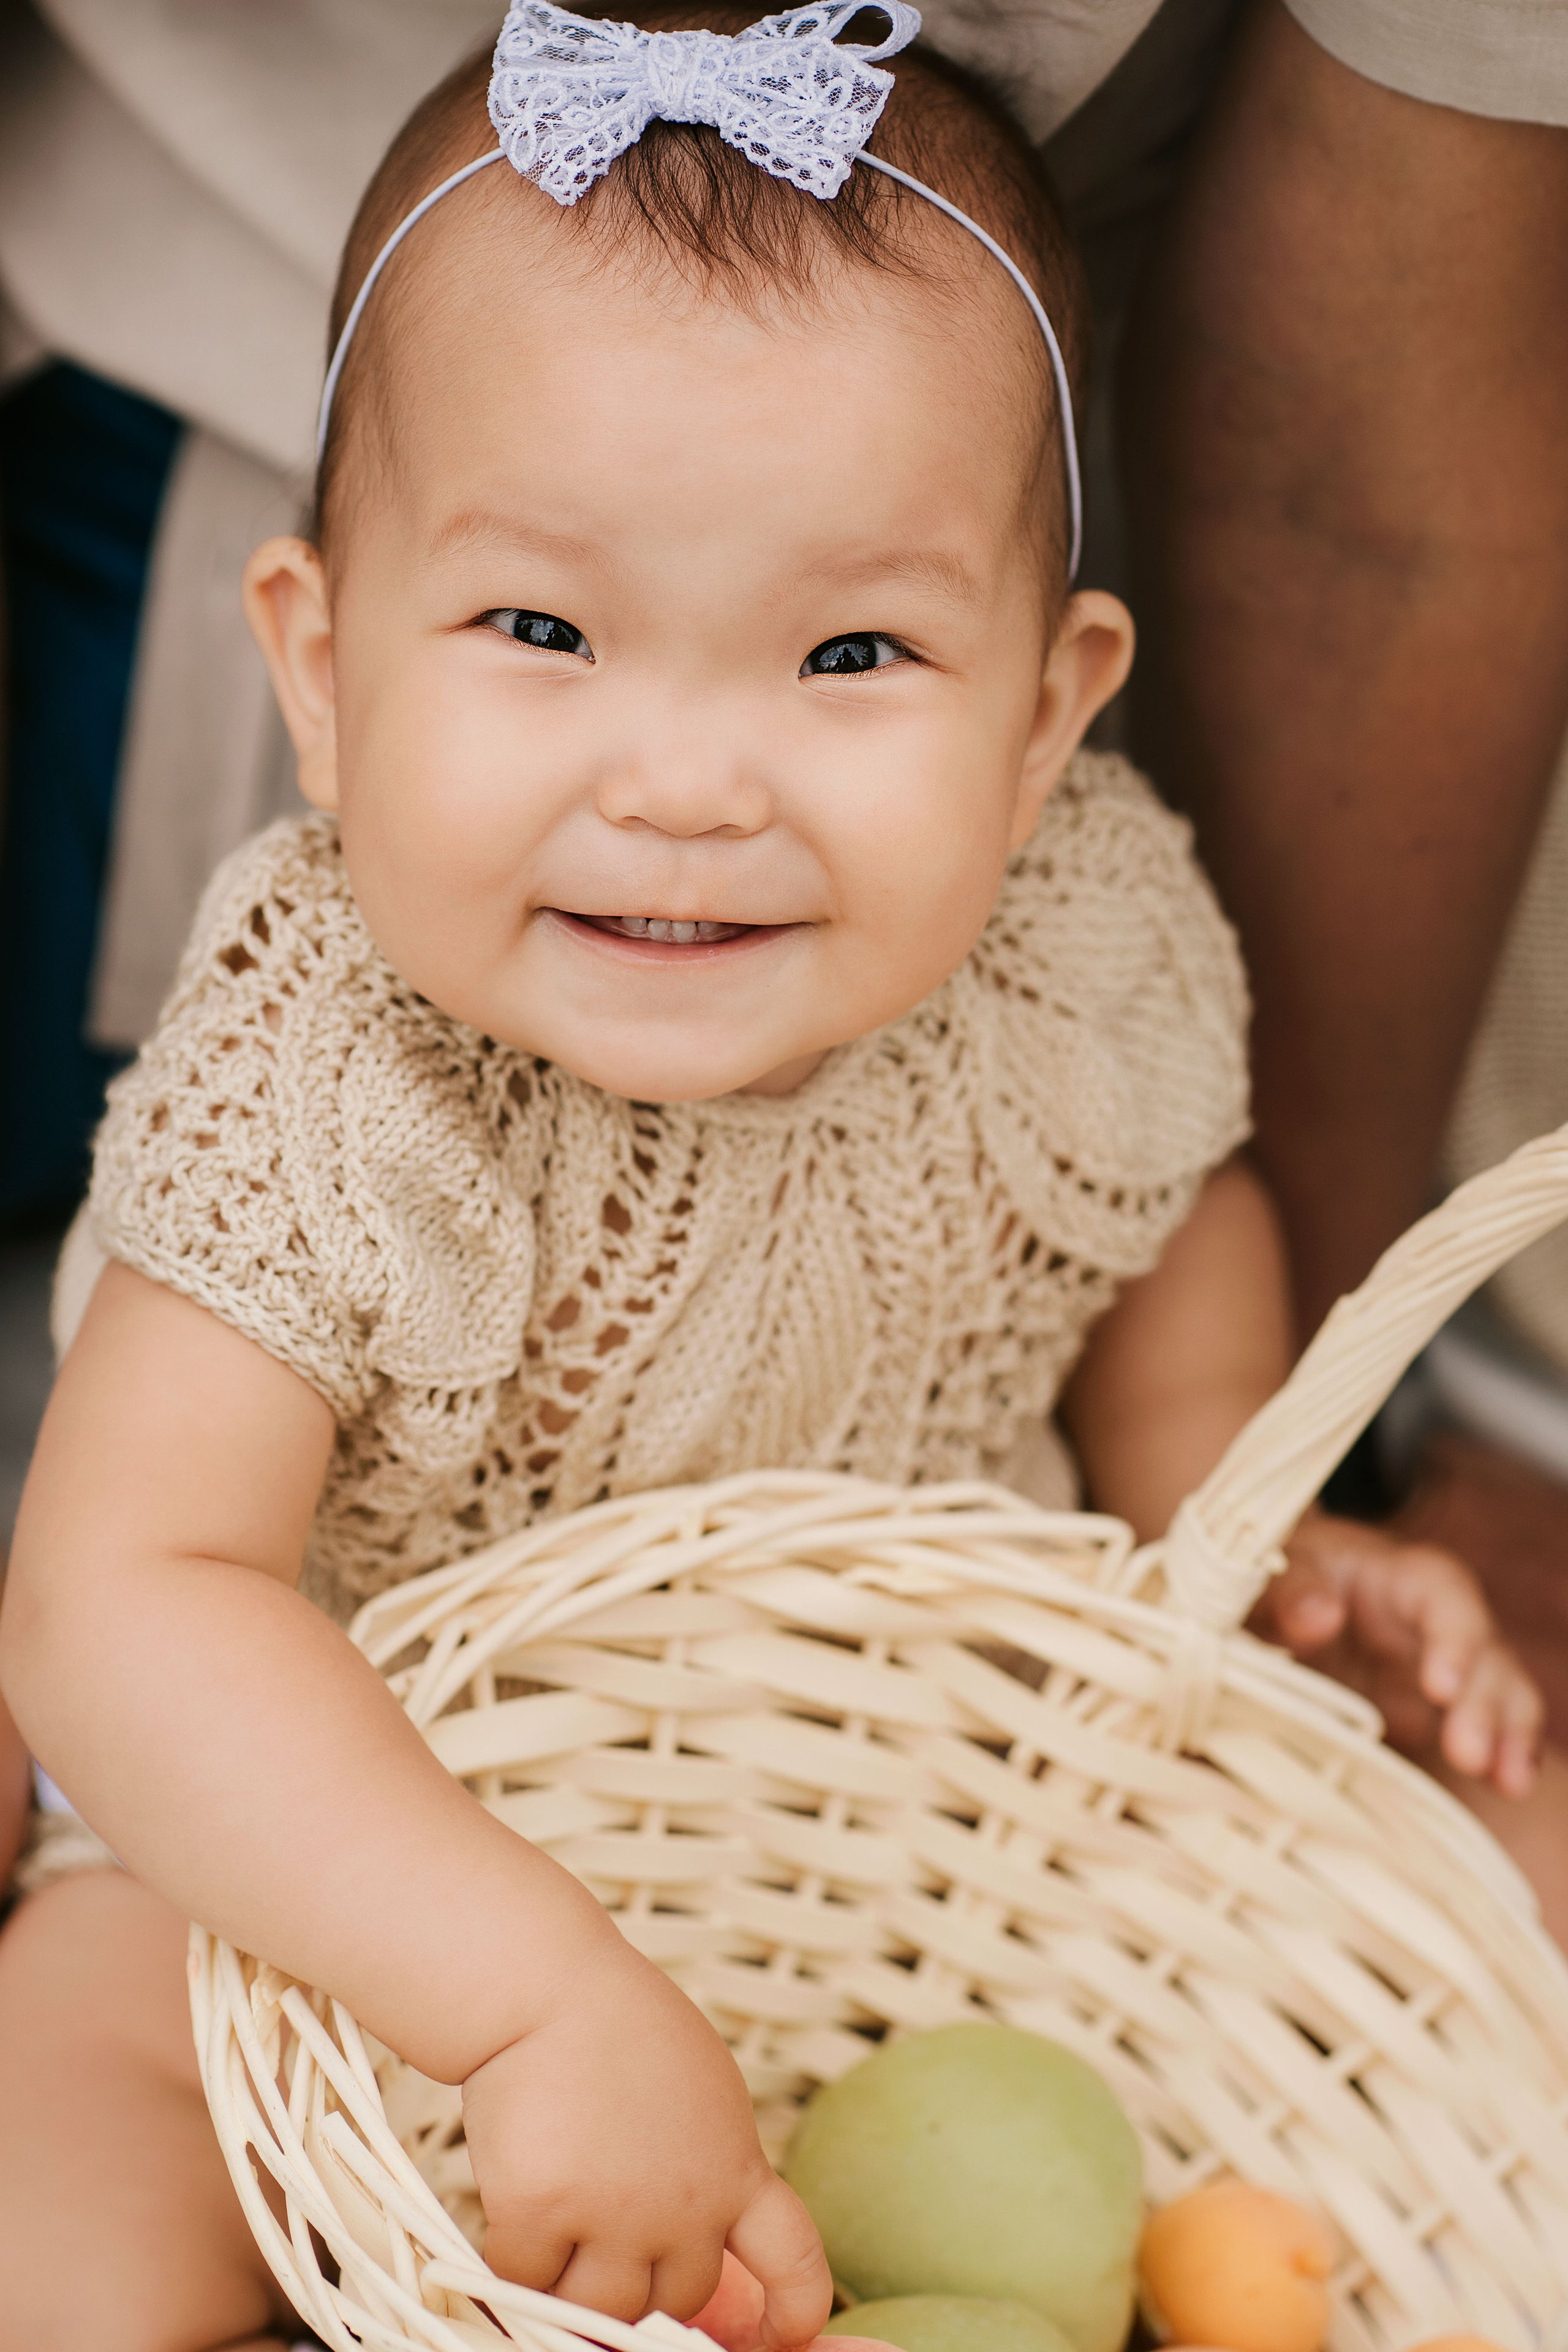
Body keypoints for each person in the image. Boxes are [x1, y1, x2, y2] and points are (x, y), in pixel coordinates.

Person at [0, 10, 1556, 2350]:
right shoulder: (331, 1077)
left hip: (910, 1843)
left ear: (1046, 717)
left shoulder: (1073, 953)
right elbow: (129, 1603)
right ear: (321, 673)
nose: (694, 778)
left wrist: (1235, 1541)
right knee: (65, 2221)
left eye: (850, 652)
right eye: (542, 630)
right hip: (321, 1882)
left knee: (1487, 1946)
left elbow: (1166, 1244)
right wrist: (525, 1997)